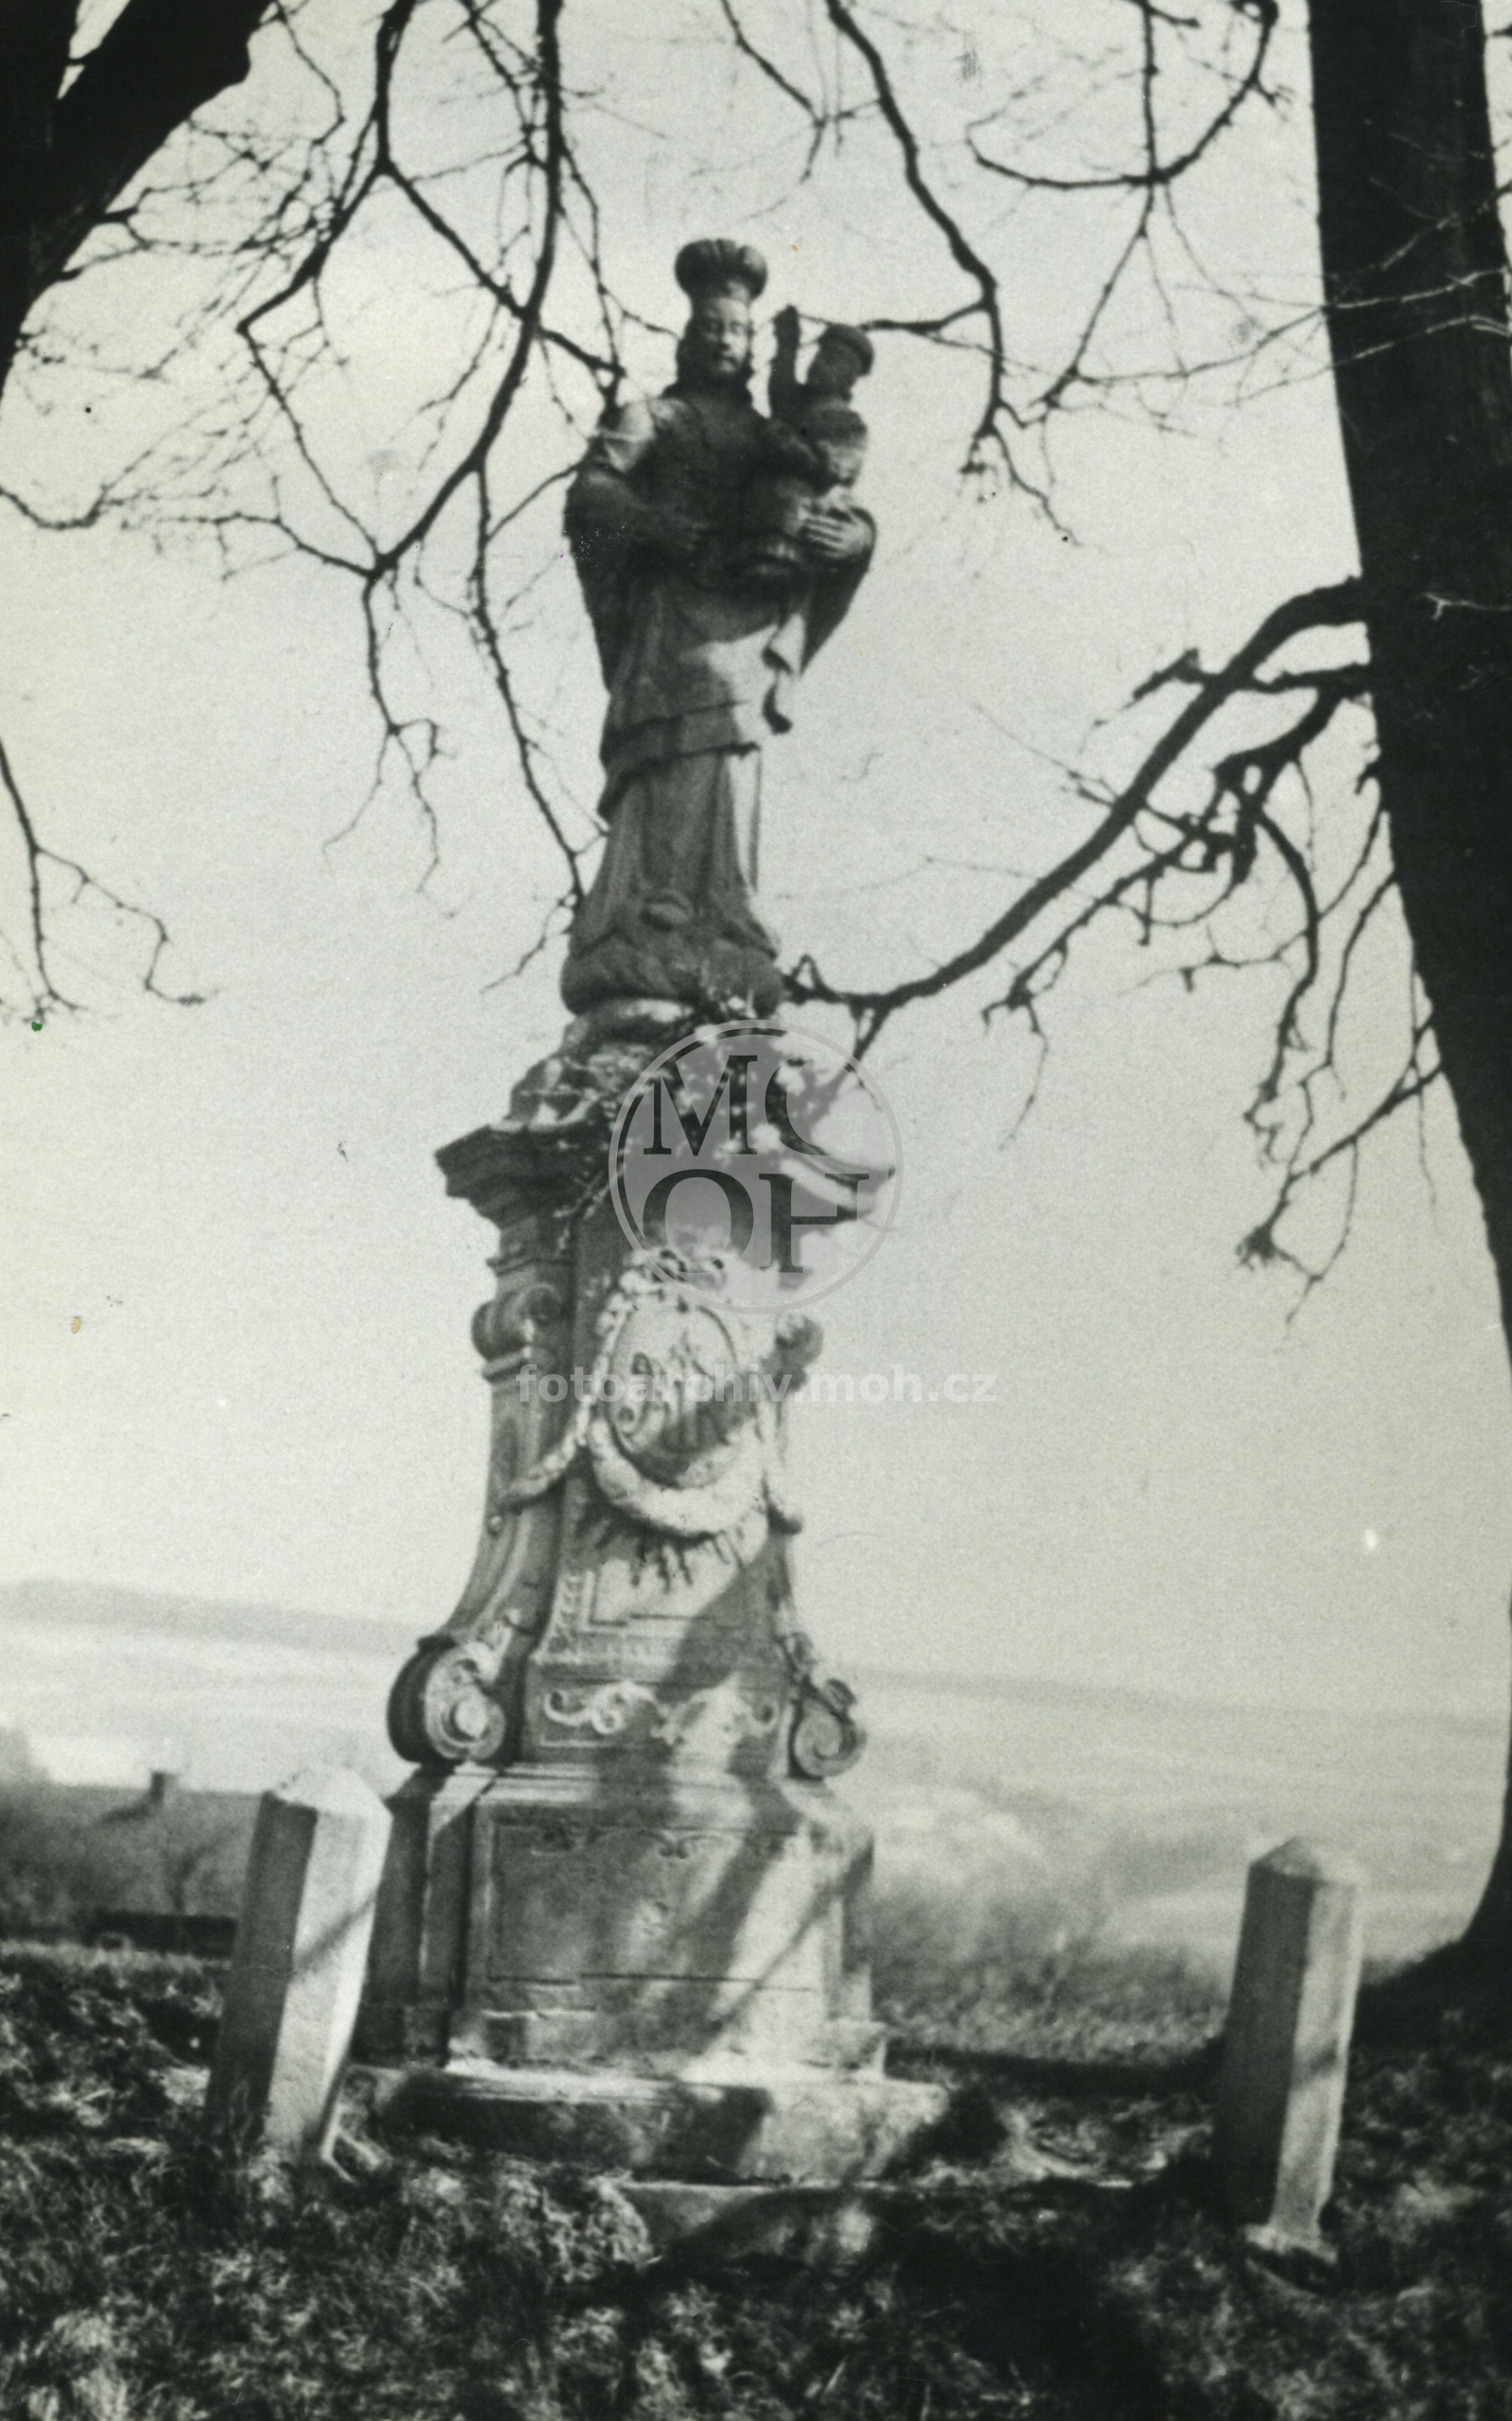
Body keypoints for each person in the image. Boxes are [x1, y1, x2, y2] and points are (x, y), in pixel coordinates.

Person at [561, 240, 875, 1027]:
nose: (722, 342)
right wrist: (655, 527)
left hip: (752, 622)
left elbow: (831, 493)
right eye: (709, 328)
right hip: (673, 619)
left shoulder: (780, 434)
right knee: (667, 753)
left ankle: (722, 914)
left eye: (736, 330)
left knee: (733, 759)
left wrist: (855, 540)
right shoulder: (653, 417)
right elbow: (593, 493)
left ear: (753, 343)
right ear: (685, 337)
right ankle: (647, 909)